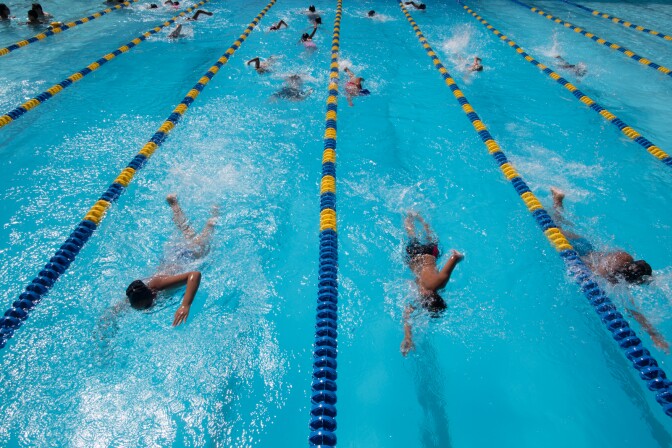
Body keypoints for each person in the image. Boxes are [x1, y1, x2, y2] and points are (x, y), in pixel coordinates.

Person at [550, 188, 667, 352]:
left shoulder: (625, 257)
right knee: (554, 226)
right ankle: (557, 201)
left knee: (562, 225)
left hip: (586, 245)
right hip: (577, 251)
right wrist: (654, 335)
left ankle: (558, 201)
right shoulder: (613, 276)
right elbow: (631, 308)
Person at [122, 194, 217, 326]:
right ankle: (174, 204)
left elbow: (194, 275)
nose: (148, 308)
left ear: (153, 294)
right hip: (173, 255)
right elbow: (117, 308)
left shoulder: (158, 284)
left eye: (147, 306)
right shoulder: (136, 293)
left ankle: (215, 210)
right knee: (186, 230)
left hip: (188, 256)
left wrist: (185, 305)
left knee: (206, 234)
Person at [400, 212, 464, 356]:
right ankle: (411, 216)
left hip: (429, 254)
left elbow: (407, 314)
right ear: (429, 297)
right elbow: (455, 256)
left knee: (429, 237)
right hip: (416, 254)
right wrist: (459, 257)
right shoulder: (435, 284)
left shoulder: (437, 286)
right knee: (412, 236)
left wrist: (408, 337)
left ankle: (418, 217)